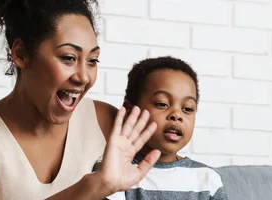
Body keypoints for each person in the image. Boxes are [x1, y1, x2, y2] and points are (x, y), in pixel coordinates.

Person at [0, 0, 161, 199]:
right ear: (21, 54)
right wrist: (93, 186)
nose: (84, 77)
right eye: (68, 58)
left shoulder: (106, 121)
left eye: (93, 61)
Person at [94, 57, 228, 199]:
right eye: (162, 104)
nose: (177, 115)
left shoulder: (207, 179)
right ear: (129, 111)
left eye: (187, 108)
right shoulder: (115, 171)